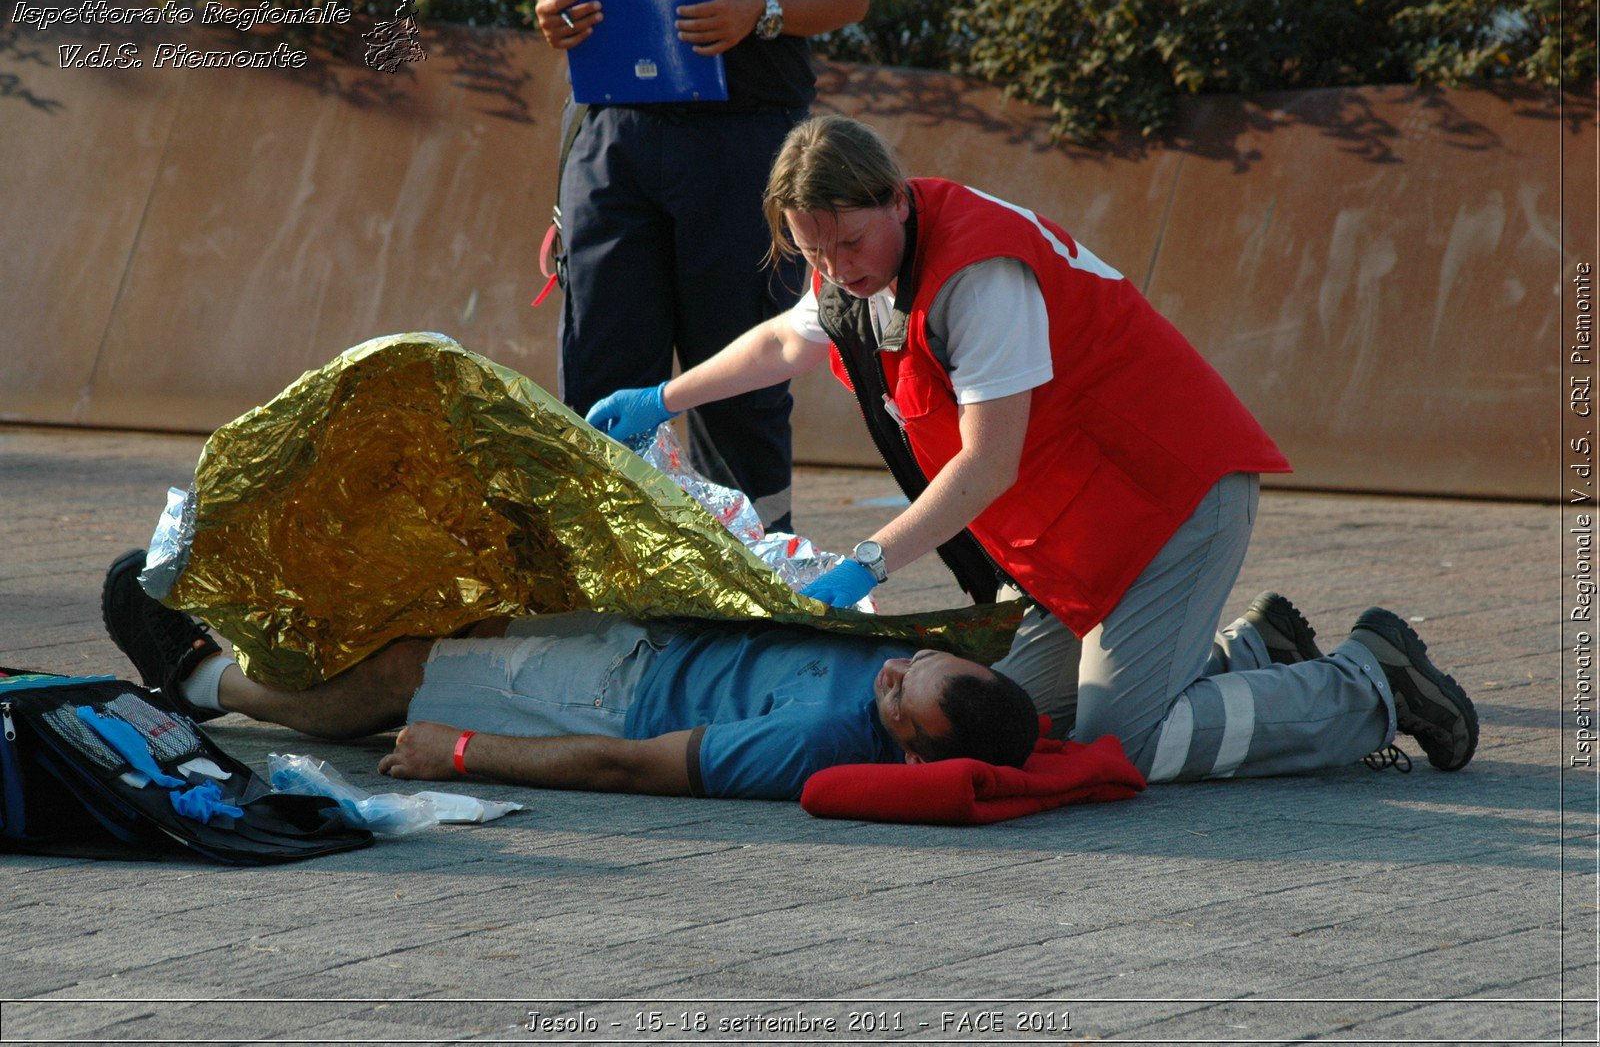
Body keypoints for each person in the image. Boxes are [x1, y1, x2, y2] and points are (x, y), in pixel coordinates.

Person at [586, 114, 1481, 781]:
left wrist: (867, 562)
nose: (839, 271)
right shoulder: (865, 269)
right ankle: (1258, 655)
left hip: (1168, 501)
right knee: (1012, 718)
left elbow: (987, 462)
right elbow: (786, 342)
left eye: (851, 243)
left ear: (897, 199)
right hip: (1086, 535)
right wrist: (660, 397)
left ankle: (1371, 684)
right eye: (816, 255)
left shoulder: (981, 275)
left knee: (1114, 749)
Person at [100, 550, 1038, 800]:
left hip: (609, 693)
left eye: (898, 697)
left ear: (913, 751)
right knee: (457, 596)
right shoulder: (922, 675)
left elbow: (631, 768)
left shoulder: (816, 745)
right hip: (657, 627)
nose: (892, 672)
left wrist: (464, 753)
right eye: (911, 662)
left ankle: (198, 682)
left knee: (403, 677)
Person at [534, 0, 870, 534]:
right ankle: (606, 587)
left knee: (739, 381)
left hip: (742, 134)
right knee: (600, 382)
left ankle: (757, 587)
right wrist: (549, 8)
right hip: (609, 130)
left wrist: (763, 10)